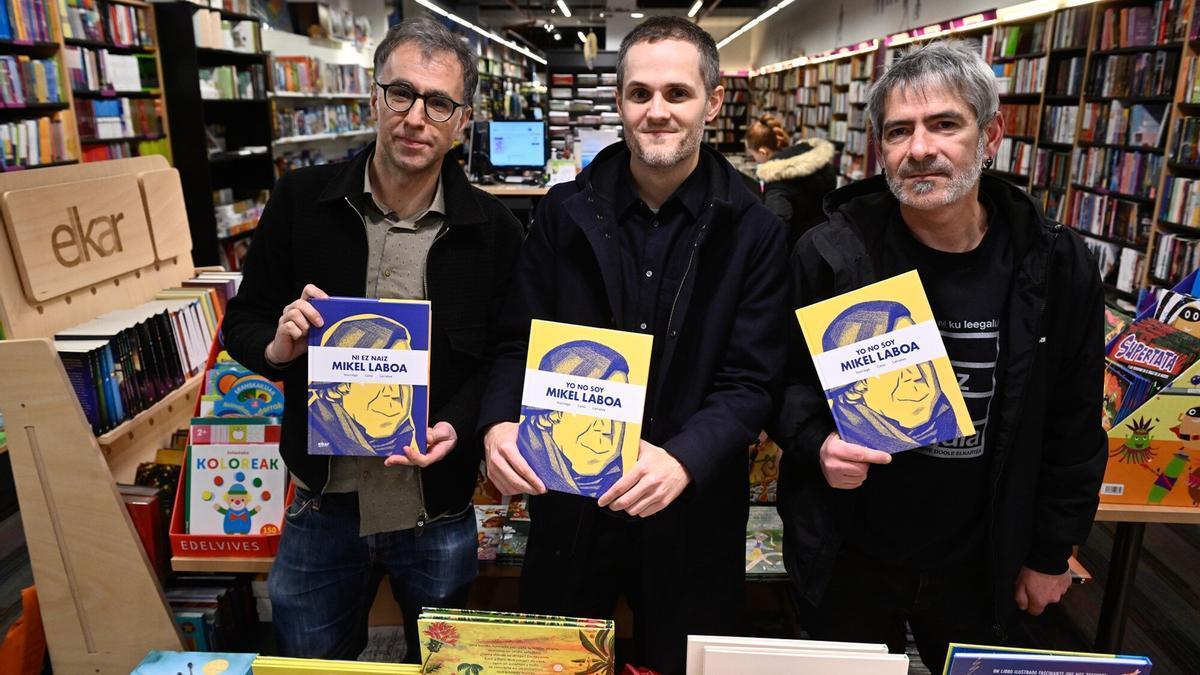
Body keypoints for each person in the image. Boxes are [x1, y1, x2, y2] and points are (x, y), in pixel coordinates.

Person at [772, 40, 1107, 672]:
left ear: (991, 135)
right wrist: (816, 442)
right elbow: (781, 382)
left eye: (944, 124)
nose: (920, 148)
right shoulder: (833, 255)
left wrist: (1050, 552)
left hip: (983, 561)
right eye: (899, 131)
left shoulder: (1054, 261)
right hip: (850, 553)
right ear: (879, 148)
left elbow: (1072, 416)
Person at [477, 16, 788, 674]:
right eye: (639, 93)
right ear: (618, 102)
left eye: (677, 93)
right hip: (571, 505)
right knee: (553, 663)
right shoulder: (562, 213)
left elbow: (751, 380)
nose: (657, 111)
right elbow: (516, 342)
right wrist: (500, 419)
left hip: (691, 507)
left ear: (714, 100)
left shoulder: (756, 229)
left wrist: (682, 459)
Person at [221, 18, 523, 663]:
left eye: (439, 102)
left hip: (435, 510)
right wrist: (278, 349)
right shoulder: (301, 200)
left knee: (441, 664)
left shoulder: (493, 230)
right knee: (310, 664)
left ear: (462, 121)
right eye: (401, 94)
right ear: (374, 98)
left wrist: (458, 424)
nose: (417, 117)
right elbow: (242, 322)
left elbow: (506, 355)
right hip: (321, 505)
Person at [518, 340, 631, 496]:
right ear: (547, 416)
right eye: (592, 405)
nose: (606, 428)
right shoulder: (519, 462)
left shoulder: (620, 480)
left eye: (617, 408)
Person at [308, 314, 417, 456]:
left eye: (403, 373)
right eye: (378, 374)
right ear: (338, 387)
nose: (394, 392)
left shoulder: (412, 442)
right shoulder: (313, 433)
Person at [745, 113, 836, 250]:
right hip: (827, 242)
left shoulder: (777, 181)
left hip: (799, 250)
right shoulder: (815, 159)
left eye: (753, 155)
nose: (754, 159)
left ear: (763, 152)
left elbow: (777, 230)